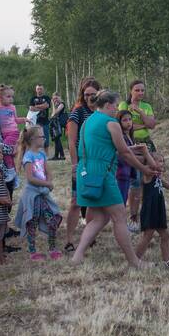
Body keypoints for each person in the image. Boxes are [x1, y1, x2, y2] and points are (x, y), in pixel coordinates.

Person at [70, 90, 155, 268]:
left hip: (86, 171)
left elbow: (111, 149)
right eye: (116, 106)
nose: (117, 109)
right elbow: (123, 152)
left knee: (100, 218)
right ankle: (134, 261)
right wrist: (144, 168)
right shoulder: (111, 123)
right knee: (119, 216)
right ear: (108, 105)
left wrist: (136, 150)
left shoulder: (88, 121)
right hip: (102, 173)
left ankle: (77, 256)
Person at [134, 151, 169, 269]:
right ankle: (135, 261)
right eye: (159, 161)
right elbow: (149, 163)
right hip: (150, 209)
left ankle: (167, 261)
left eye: (163, 161)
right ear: (150, 162)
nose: (162, 163)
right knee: (147, 236)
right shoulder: (148, 174)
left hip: (159, 209)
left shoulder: (157, 176)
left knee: (165, 236)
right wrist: (146, 152)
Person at [14, 126, 62, 261]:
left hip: (43, 194)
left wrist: (49, 182)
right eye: (42, 136)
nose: (44, 138)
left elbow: (48, 172)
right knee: (32, 221)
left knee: (52, 219)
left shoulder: (41, 154)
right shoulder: (28, 156)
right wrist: (47, 184)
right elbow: (30, 178)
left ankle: (52, 248)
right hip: (32, 195)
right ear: (33, 139)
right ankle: (32, 251)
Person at [65, 78, 99, 249]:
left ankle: (90, 236)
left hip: (97, 162)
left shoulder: (101, 112)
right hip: (82, 162)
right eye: (86, 94)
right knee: (76, 201)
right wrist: (74, 164)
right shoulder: (77, 112)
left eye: (93, 94)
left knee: (92, 201)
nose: (89, 97)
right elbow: (71, 141)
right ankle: (70, 239)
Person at [117, 80, 157, 232]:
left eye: (142, 90)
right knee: (136, 180)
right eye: (137, 90)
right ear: (131, 91)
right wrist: (143, 123)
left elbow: (152, 125)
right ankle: (133, 217)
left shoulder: (146, 106)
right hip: (131, 143)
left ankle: (147, 213)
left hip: (147, 143)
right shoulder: (123, 105)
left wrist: (140, 113)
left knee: (150, 178)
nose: (140, 93)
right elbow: (122, 123)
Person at [0, 85, 27, 196]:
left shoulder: (12, 107)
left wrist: (24, 119)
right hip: (2, 134)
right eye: (8, 96)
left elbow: (15, 120)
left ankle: (11, 172)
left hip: (13, 133)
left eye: (12, 96)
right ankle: (15, 177)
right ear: (0, 98)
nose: (11, 99)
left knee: (6, 151)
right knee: (8, 154)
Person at [27, 84, 52, 152]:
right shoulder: (33, 98)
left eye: (41, 89)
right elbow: (31, 108)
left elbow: (47, 105)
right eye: (38, 89)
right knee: (35, 139)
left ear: (43, 90)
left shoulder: (46, 97)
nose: (39, 90)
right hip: (35, 122)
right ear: (36, 90)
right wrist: (42, 106)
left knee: (46, 139)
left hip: (45, 122)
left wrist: (37, 106)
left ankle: (46, 156)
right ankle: (37, 154)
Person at [49, 94, 67, 160]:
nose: (55, 100)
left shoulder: (62, 104)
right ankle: (56, 155)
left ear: (59, 97)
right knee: (56, 139)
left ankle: (62, 155)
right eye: (54, 99)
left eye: (56, 98)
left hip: (58, 123)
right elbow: (52, 115)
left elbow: (55, 113)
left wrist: (53, 104)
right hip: (55, 123)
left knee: (57, 138)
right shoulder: (57, 105)